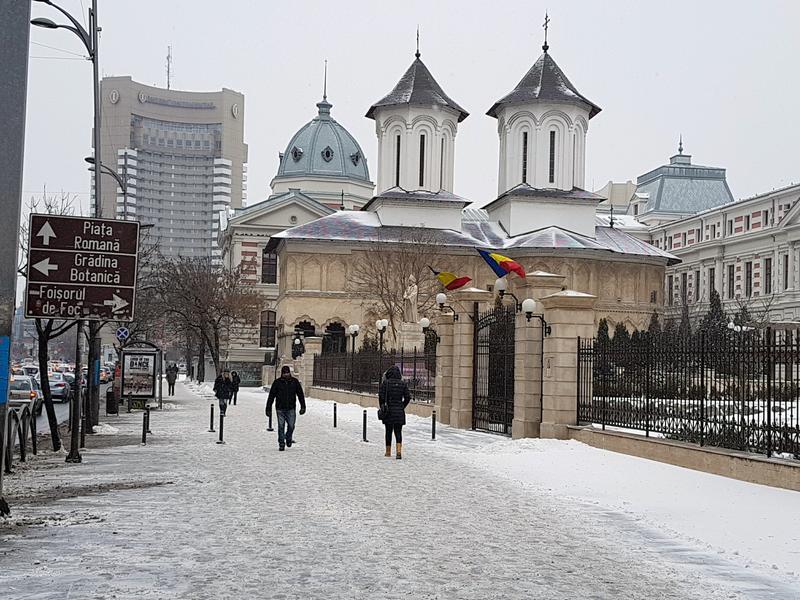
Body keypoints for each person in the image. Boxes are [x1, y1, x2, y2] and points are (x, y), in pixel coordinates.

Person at [266, 365, 306, 451]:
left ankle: (288, 437)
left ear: (289, 373)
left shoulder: (295, 382)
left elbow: (300, 395)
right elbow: (271, 396)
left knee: (291, 425)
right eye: (284, 373)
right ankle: (281, 443)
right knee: (281, 426)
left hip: (291, 408)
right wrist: (268, 408)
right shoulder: (277, 383)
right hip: (280, 408)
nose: (286, 375)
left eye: (287, 373)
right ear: (282, 373)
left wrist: (303, 406)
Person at [379, 365, 410, 459]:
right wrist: (402, 406)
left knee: (388, 431)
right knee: (398, 431)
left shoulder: (386, 383)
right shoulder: (403, 384)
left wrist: (382, 406)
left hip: (389, 411)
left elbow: (381, 397)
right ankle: (399, 451)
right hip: (399, 411)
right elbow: (408, 397)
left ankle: (388, 452)